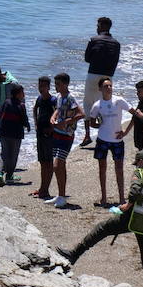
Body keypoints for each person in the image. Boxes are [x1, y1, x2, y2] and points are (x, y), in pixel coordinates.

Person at [59, 149, 143, 287]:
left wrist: (128, 205)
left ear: (141, 162)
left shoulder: (140, 173)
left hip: (133, 218)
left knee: (102, 229)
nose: (136, 166)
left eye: (137, 163)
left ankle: (74, 254)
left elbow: (135, 191)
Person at [88, 77, 132, 206]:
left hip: (117, 140)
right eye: (106, 86)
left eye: (110, 86)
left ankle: (122, 198)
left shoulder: (119, 101)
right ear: (100, 89)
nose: (109, 88)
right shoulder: (97, 105)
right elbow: (92, 123)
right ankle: (104, 198)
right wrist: (100, 125)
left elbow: (134, 113)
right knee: (102, 169)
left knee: (119, 169)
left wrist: (126, 132)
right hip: (102, 140)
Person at [81, 18, 121, 147]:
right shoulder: (116, 43)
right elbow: (116, 61)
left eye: (98, 25)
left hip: (93, 74)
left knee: (88, 104)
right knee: (103, 104)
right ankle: (104, 133)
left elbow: (87, 58)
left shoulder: (94, 40)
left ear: (103, 26)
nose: (96, 27)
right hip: (108, 76)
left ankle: (87, 135)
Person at [47, 72, 82, 207]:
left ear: (66, 84)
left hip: (66, 136)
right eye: (55, 84)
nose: (56, 86)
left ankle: (62, 196)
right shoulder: (59, 97)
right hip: (57, 134)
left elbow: (81, 114)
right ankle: (60, 195)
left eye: (58, 84)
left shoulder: (70, 97)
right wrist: (53, 117)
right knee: (60, 165)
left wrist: (67, 121)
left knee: (57, 165)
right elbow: (58, 109)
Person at [0, 82, 30, 186]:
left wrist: (0, 130)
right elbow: (24, 120)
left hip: (3, 132)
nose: (23, 94)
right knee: (13, 155)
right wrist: (28, 126)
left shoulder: (5, 103)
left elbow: (1, 116)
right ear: (17, 94)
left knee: (4, 154)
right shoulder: (21, 105)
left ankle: (0, 173)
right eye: (22, 92)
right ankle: (9, 176)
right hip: (16, 134)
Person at [31, 75, 56, 199]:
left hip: (49, 136)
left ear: (48, 87)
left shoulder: (53, 100)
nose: (41, 88)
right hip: (40, 134)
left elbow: (59, 115)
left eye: (43, 86)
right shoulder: (39, 98)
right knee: (42, 162)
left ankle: (46, 190)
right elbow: (35, 109)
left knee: (49, 162)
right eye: (39, 86)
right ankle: (42, 188)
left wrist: (52, 129)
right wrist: (35, 123)